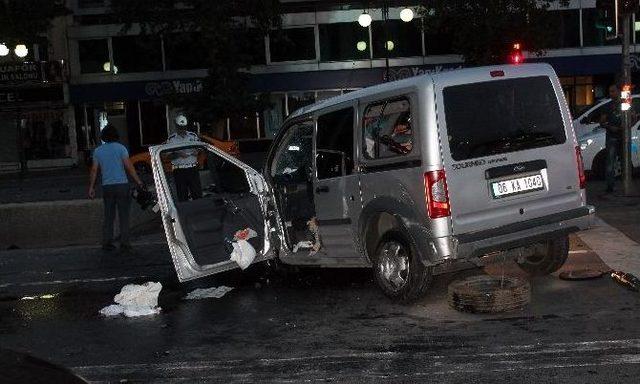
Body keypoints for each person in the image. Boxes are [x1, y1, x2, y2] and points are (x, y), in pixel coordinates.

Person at [88, 124, 143, 252]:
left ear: (103, 137)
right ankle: (125, 243)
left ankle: (107, 242)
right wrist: (139, 182)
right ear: (116, 136)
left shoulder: (98, 151)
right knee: (124, 215)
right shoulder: (121, 148)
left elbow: (94, 170)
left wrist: (91, 187)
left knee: (109, 216)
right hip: (122, 185)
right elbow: (129, 167)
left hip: (107, 186)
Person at [166, 115, 203, 201]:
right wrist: (178, 154)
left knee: (197, 194)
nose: (182, 129)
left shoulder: (193, 136)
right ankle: (186, 213)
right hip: (179, 171)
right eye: (180, 127)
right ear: (176, 126)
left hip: (192, 169)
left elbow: (201, 149)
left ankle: (199, 212)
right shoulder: (171, 139)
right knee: (182, 195)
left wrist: (197, 152)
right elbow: (168, 156)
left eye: (184, 127)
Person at [600, 84, 623, 193]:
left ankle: (625, 185)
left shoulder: (625, 104)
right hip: (612, 137)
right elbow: (602, 122)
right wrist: (610, 127)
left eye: (613, 91)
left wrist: (628, 126)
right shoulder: (608, 106)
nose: (611, 93)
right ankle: (610, 186)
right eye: (610, 91)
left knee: (625, 162)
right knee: (610, 162)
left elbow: (633, 117)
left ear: (618, 91)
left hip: (624, 137)